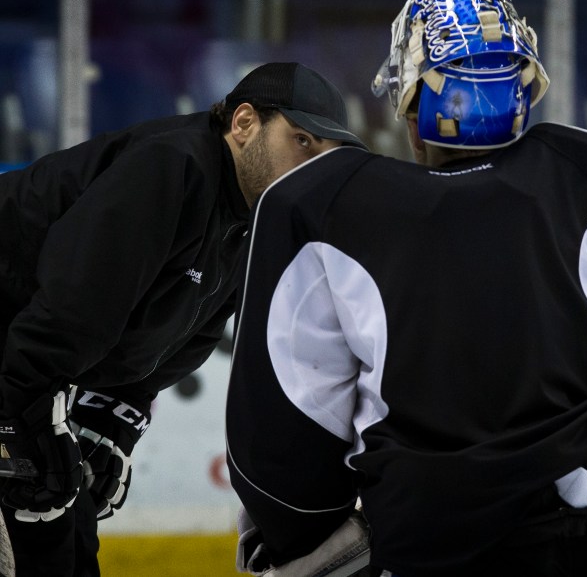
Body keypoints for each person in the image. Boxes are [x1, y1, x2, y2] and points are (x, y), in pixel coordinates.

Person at [226, 0, 587, 575]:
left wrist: (305, 530)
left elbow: (282, 466)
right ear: (524, 88)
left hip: (430, 543)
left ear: (408, 103)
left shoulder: (319, 204)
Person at [0, 61, 365, 576]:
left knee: (68, 535)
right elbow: (68, 312)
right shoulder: (172, 167)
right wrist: (19, 426)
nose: (312, 167)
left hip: (25, 362)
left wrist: (112, 420)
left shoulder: (251, 222)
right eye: (302, 141)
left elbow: (168, 341)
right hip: (16, 361)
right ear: (243, 124)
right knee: (42, 531)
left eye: (327, 155)